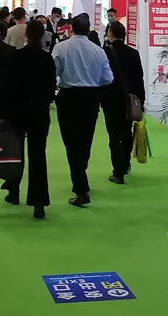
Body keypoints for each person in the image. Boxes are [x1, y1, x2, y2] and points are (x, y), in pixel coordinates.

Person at [52, 15, 114, 207]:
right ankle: (81, 173)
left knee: (71, 143)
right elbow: (108, 78)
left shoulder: (61, 48)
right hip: (91, 98)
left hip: (68, 98)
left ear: (70, 29)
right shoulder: (98, 51)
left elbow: (54, 73)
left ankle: (81, 188)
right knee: (85, 140)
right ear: (88, 30)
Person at [0, 20, 56, 219]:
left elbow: (7, 87)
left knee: (16, 154)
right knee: (38, 156)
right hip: (39, 114)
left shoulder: (16, 57)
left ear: (26, 35)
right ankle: (39, 203)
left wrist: (2, 113)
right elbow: (51, 89)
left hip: (18, 113)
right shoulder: (47, 59)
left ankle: (14, 191)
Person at [101, 21, 145, 185]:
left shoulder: (105, 52)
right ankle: (125, 164)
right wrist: (141, 100)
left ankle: (117, 171)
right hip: (129, 101)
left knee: (114, 136)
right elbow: (139, 78)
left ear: (111, 34)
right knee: (126, 133)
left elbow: (101, 77)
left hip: (110, 100)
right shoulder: (134, 53)